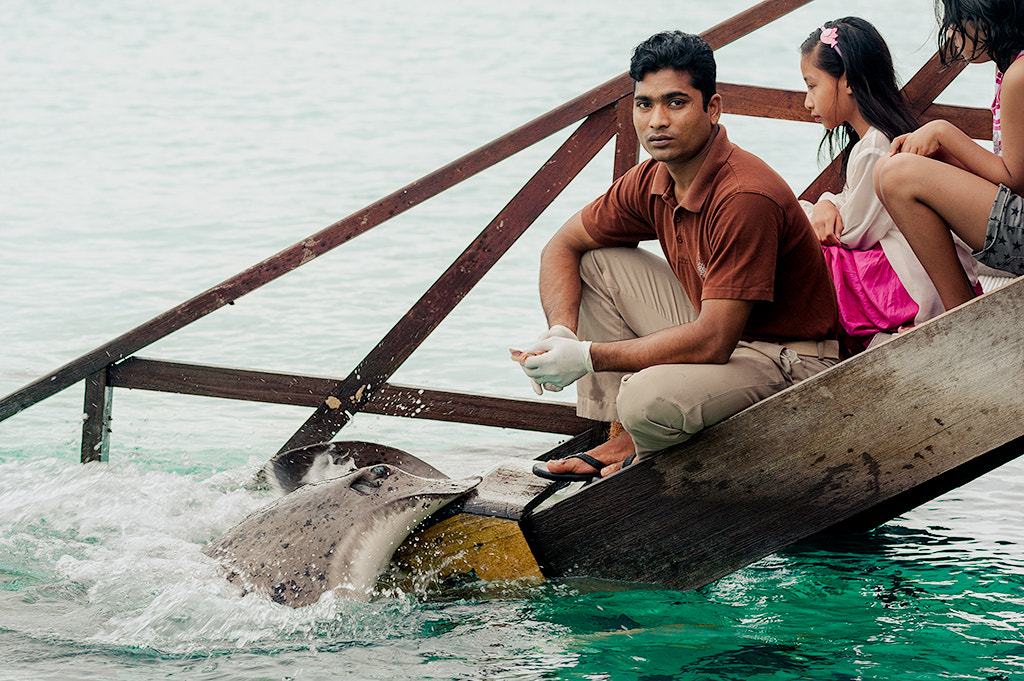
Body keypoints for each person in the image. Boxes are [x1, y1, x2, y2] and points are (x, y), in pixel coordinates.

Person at [517, 31, 840, 481]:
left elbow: (713, 341)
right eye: (644, 104)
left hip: (789, 360)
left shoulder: (744, 195)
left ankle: (640, 431)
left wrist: (586, 357)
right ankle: (627, 436)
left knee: (647, 399)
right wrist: (561, 333)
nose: (657, 121)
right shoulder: (653, 177)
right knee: (595, 263)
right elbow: (562, 246)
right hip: (724, 331)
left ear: (713, 108)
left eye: (676, 102)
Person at [798, 17, 980, 351]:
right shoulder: (873, 139)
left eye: (812, 86)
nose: (807, 101)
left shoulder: (875, 146)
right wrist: (826, 201)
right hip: (926, 280)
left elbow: (853, 232)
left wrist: (811, 210)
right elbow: (854, 201)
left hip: (919, 291)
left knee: (814, 250)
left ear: (848, 81)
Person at [874, 0, 1024, 310]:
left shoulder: (1019, 76)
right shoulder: (1012, 69)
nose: (952, 33)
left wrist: (945, 133)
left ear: (989, 16)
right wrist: (943, 154)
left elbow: (1016, 180)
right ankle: (961, 309)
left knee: (897, 176)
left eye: (958, 21)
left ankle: (961, 313)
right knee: (891, 169)